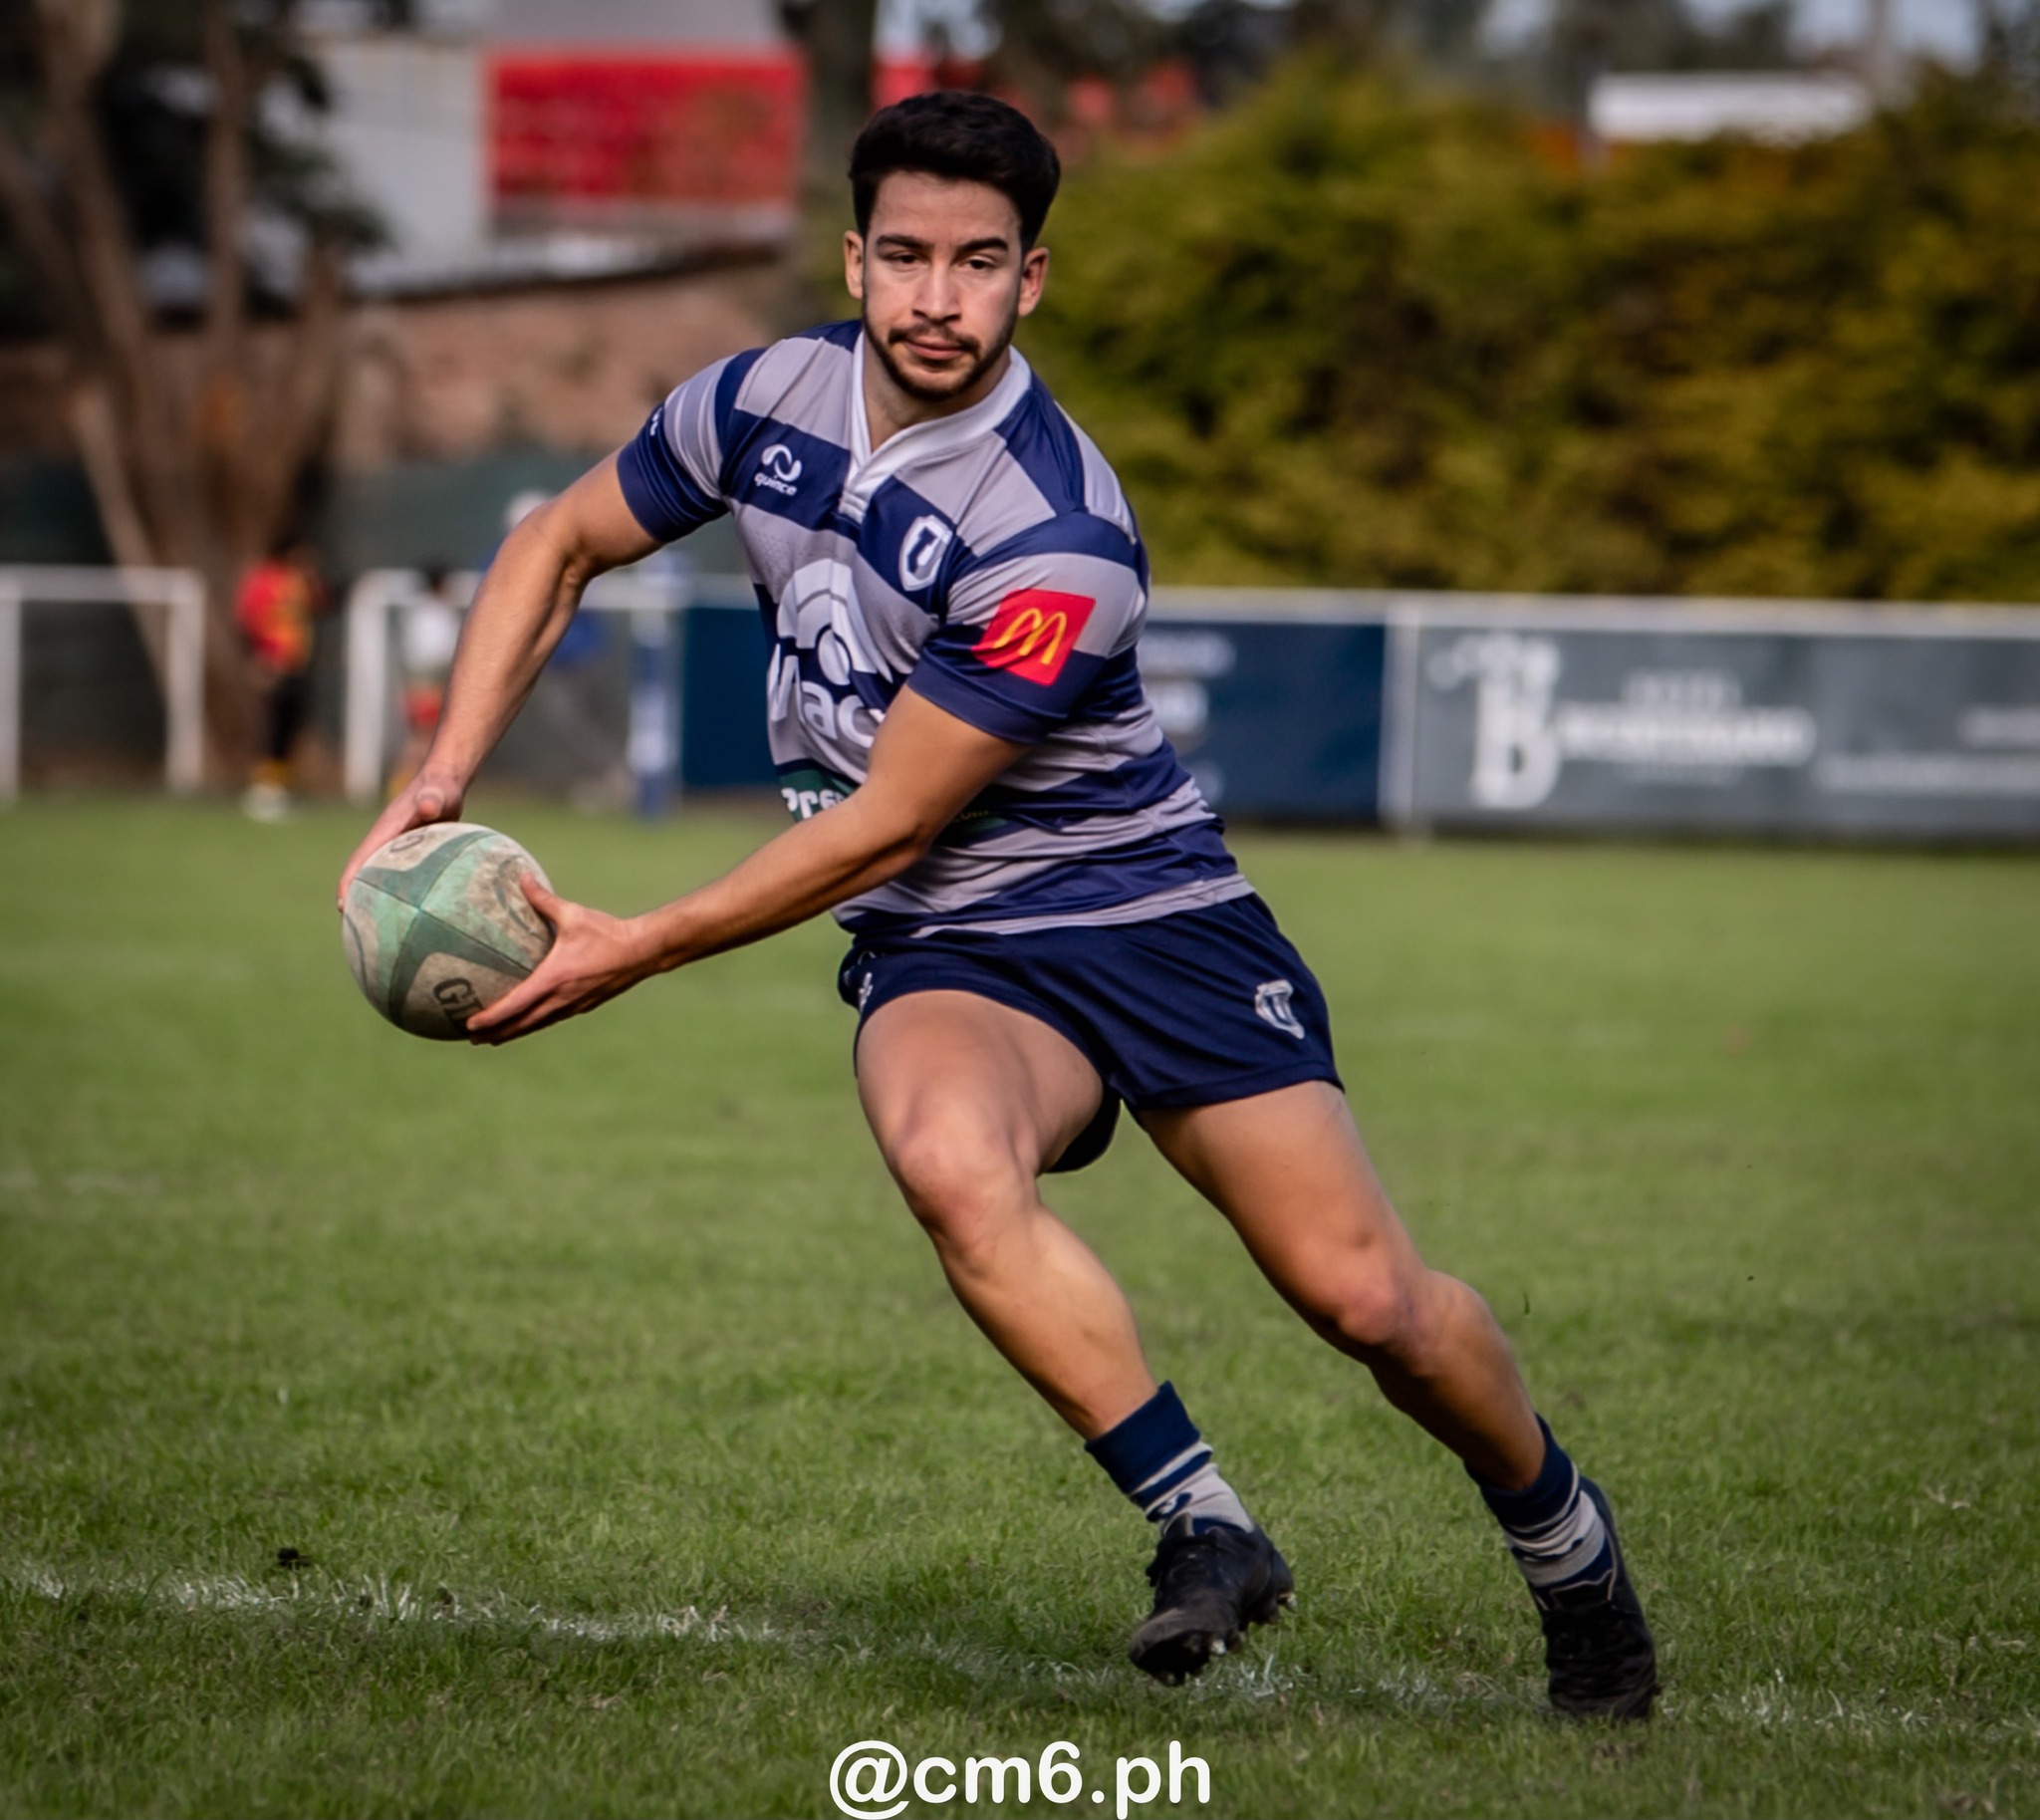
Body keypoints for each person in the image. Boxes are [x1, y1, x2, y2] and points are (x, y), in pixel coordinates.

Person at [338, 91, 1658, 1718]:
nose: (935, 297)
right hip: (953, 947)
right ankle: (1208, 1529)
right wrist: (439, 777)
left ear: (1030, 278)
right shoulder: (760, 399)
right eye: (904, 256)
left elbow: (886, 820)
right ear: (855, 256)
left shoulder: (1053, 525)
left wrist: (640, 943)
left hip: (1147, 920)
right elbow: (555, 541)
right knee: (949, 1163)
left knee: (1364, 1301)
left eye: (977, 262)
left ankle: (1565, 1546)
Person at [237, 537, 324, 821]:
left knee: (289, 726)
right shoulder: (265, 579)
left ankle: (279, 785)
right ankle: (263, 789)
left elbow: (319, 605)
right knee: (273, 725)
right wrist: (261, 657)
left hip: (297, 665)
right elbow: (249, 618)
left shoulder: (298, 581)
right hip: (273, 664)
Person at [389, 563, 465, 799]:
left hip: (421, 680)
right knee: (423, 740)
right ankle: (403, 789)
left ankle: (407, 788)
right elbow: (436, 653)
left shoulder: (420, 611)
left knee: (421, 739)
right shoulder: (435, 613)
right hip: (428, 682)